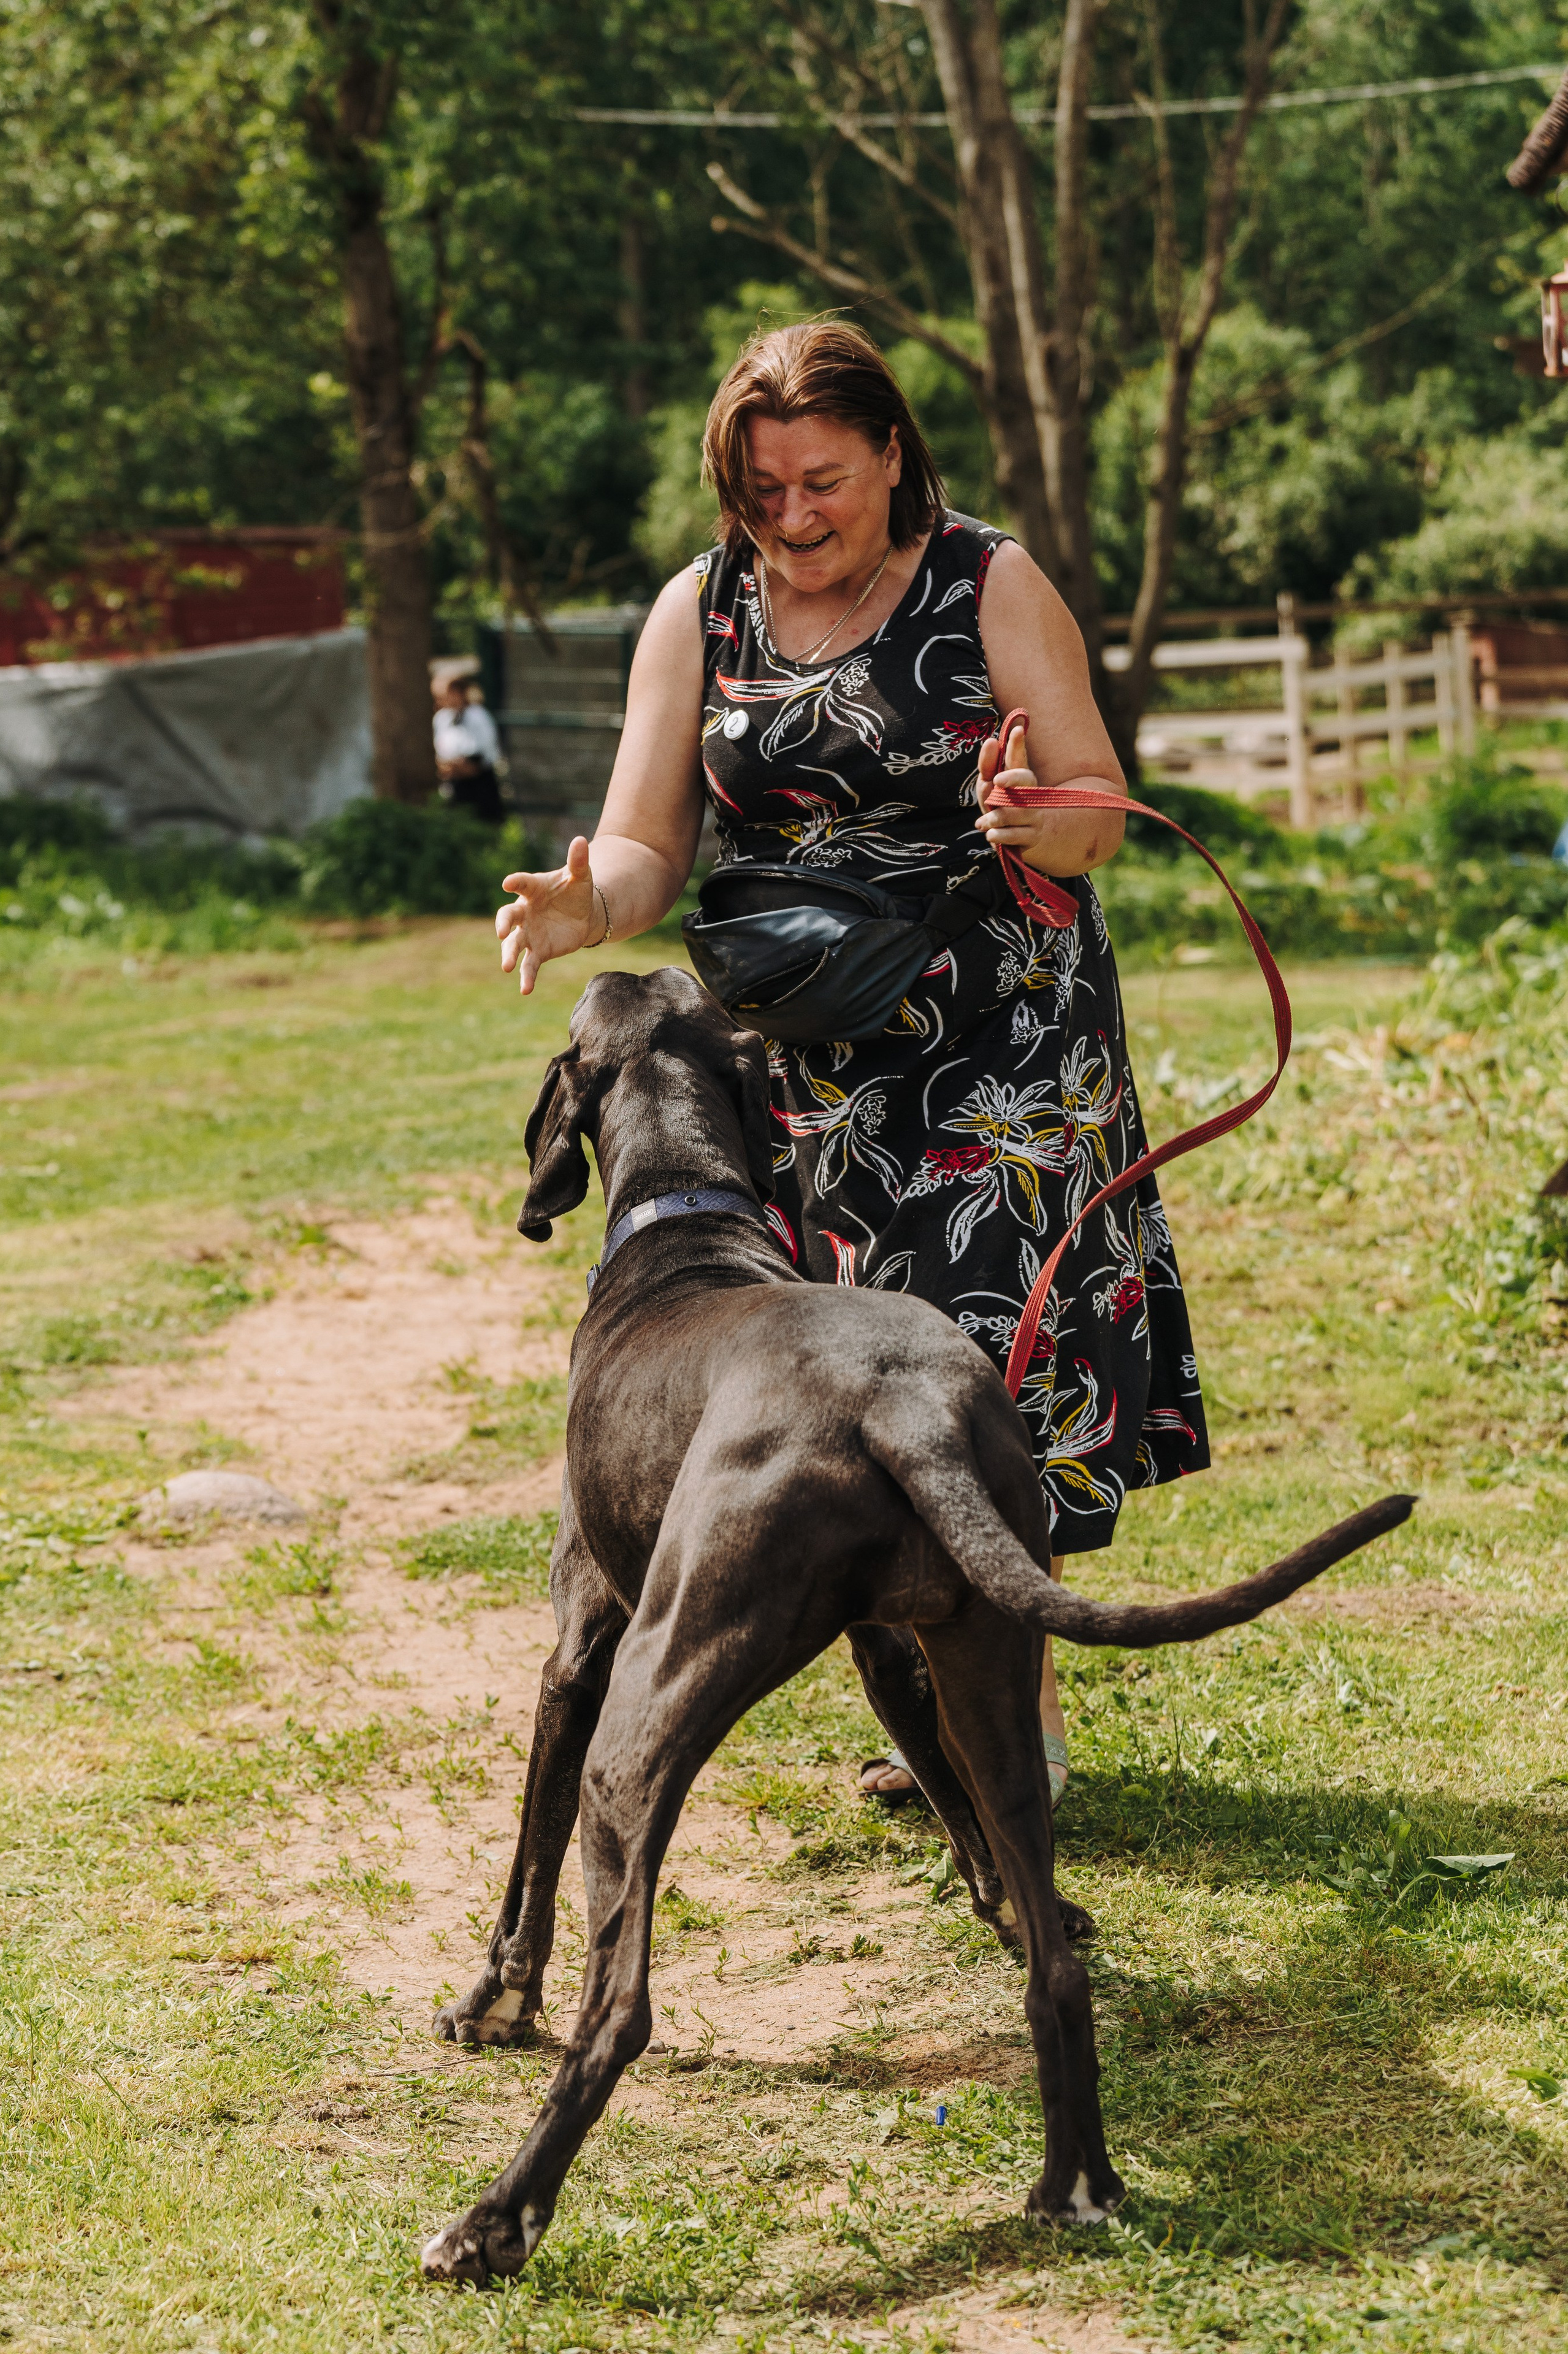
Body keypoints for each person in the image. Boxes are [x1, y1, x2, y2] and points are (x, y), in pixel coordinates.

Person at [494, 320, 1209, 1808]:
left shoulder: (985, 582)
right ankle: (934, 1695)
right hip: (801, 1071)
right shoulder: (700, 608)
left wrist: (1042, 817)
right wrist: (587, 905)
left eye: (820, 480)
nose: (792, 515)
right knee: (836, 1382)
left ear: (891, 452)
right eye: (760, 490)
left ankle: (1009, 1725)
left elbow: (1096, 805)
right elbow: (644, 842)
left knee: (977, 1359)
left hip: (994, 1046)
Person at [434, 670, 505, 825]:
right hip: (454, 785)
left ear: (457, 693)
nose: (439, 699)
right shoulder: (442, 719)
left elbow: (483, 755)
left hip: (480, 785)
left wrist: (462, 767)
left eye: (443, 694)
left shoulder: (478, 716)